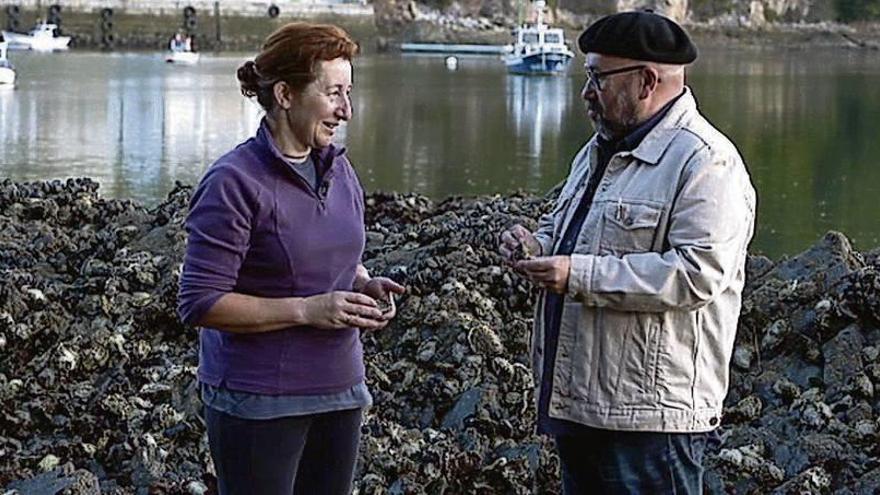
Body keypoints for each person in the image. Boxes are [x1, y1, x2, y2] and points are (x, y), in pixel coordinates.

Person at [499, 11, 756, 494]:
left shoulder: (706, 162)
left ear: (646, 81)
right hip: (584, 406)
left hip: (651, 421)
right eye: (586, 75)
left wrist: (576, 274)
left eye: (598, 77)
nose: (586, 92)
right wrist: (536, 245)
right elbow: (570, 231)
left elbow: (698, 274)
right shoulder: (599, 149)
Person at [177, 22, 404, 495]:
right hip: (260, 399)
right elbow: (200, 302)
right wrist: (306, 309)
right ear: (285, 94)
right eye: (333, 93)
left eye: (349, 92)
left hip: (340, 388)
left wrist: (362, 284)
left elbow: (339, 257)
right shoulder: (233, 182)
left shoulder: (339, 168)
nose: (347, 109)